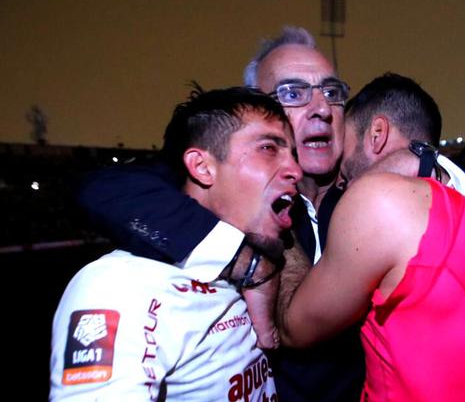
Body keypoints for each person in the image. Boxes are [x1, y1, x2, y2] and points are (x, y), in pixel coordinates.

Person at [76, 27, 465, 401]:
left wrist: (425, 159)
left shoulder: (372, 188)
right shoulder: (226, 184)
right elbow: (102, 188)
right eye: (294, 93)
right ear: (255, 109)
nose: (320, 108)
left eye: (332, 92)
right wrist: (243, 258)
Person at [50, 85, 302, 401]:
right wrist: (251, 265)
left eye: (292, 153)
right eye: (268, 148)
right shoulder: (118, 286)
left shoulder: (257, 249)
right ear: (202, 167)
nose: (295, 169)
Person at [277, 73, 465, 402]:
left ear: (376, 134)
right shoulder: (458, 204)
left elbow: (293, 328)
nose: (341, 178)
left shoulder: (378, 198)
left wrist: (275, 219)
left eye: (344, 150)